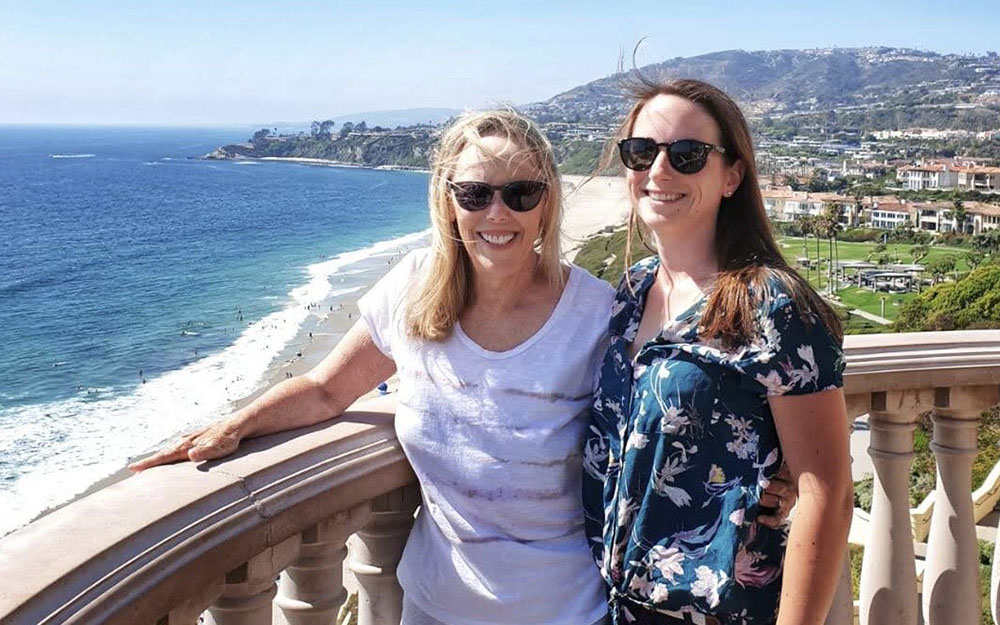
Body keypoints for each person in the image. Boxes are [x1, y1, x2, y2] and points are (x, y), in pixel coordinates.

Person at [130, 108, 794, 625]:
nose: (497, 213)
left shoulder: (598, 314)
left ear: (547, 202)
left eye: (521, 192)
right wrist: (233, 426)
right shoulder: (413, 290)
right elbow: (327, 388)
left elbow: (679, 415)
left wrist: (774, 472)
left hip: (570, 609)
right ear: (449, 200)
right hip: (434, 605)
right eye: (475, 193)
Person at [581, 78, 852, 625]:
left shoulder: (771, 305)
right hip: (609, 605)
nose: (659, 171)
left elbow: (827, 495)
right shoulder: (632, 292)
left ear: (731, 176)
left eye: (687, 156)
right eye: (641, 152)